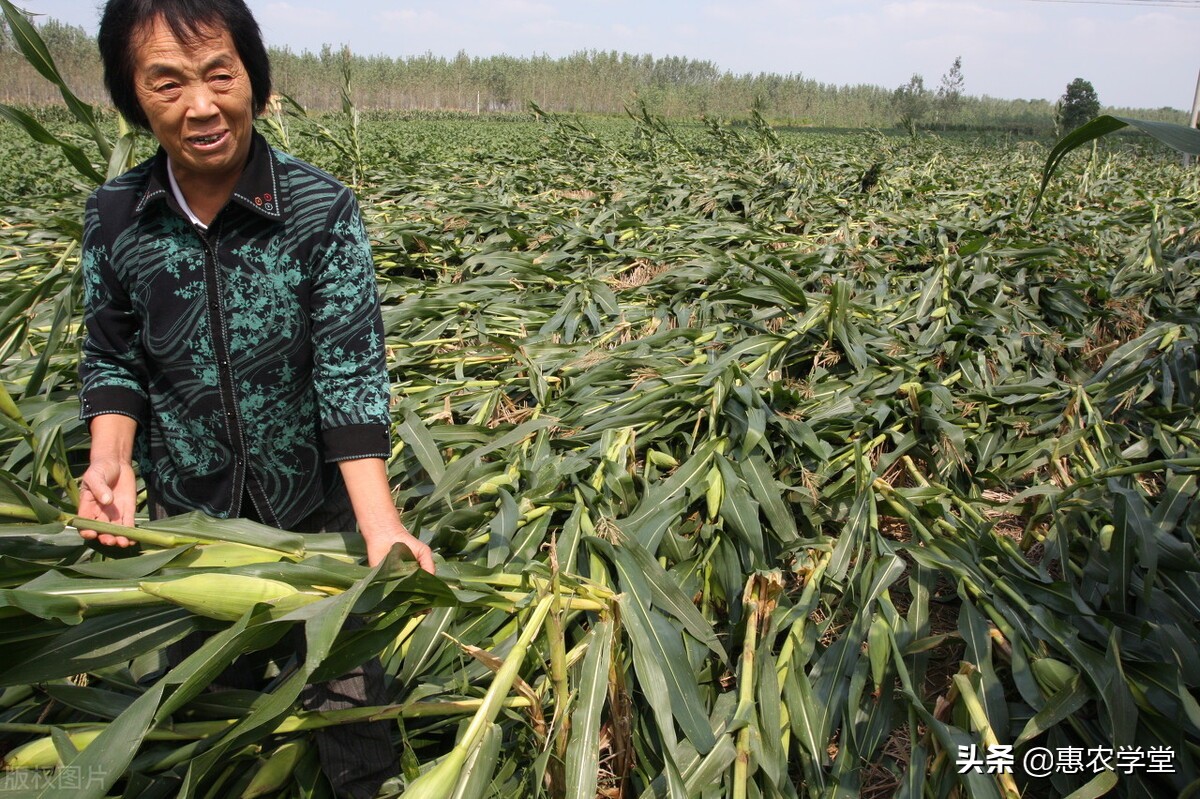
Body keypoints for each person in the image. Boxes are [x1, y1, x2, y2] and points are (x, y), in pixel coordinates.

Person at [75, 1, 433, 795]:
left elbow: (349, 374)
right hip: (196, 535)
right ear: (135, 100)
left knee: (358, 741)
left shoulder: (318, 211)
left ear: (254, 81)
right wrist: (110, 461)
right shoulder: (116, 219)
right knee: (208, 739)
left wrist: (379, 528)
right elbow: (112, 356)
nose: (200, 106)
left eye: (218, 75)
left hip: (319, 532)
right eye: (166, 83)